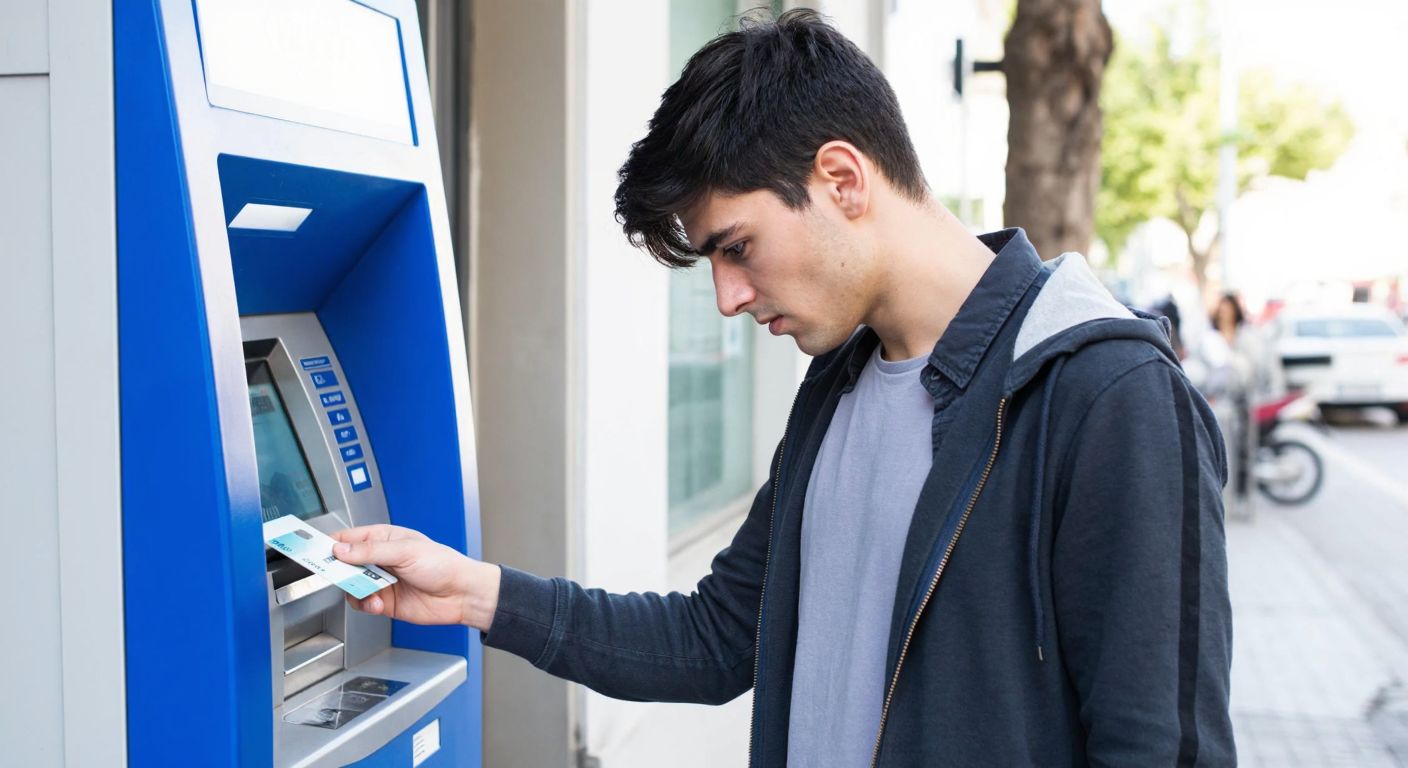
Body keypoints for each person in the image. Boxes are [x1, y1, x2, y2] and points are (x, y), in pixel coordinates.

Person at [333, 10, 1235, 766]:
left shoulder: (1107, 395)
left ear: (841, 179)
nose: (728, 297)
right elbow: (717, 640)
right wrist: (473, 594)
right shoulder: (841, 382)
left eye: (736, 246)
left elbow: (1160, 747)